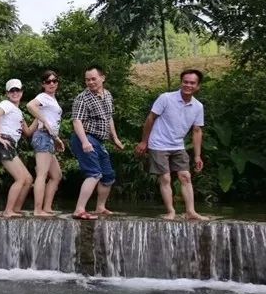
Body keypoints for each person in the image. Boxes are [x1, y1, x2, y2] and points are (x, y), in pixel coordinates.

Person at [135, 69, 207, 220]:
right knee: (166, 178)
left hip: (178, 145)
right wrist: (144, 141)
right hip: (159, 143)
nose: (188, 85)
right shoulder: (166, 98)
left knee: (185, 176)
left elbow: (197, 130)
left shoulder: (198, 106)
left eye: (192, 83)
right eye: (185, 82)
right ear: (181, 82)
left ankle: (190, 211)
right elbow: (150, 119)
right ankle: (171, 211)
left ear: (198, 86)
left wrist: (198, 156)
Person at [69, 66, 125, 220]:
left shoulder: (107, 95)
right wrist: (85, 142)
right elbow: (77, 121)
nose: (90, 82)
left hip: (99, 140)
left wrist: (115, 138)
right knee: (94, 173)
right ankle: (79, 210)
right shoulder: (83, 98)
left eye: (93, 79)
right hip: (84, 138)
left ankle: (100, 207)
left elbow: (109, 118)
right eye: (87, 79)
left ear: (102, 78)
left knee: (108, 176)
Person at [0, 79, 36, 217]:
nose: (15, 93)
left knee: (28, 179)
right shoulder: (6, 104)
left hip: (10, 146)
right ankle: (8, 211)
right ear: (7, 93)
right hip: (3, 143)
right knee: (20, 179)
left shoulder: (19, 112)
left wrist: (39, 117)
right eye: (12, 91)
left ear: (22, 92)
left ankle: (15, 209)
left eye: (17, 90)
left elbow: (27, 132)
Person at [27, 71, 65, 217]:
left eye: (54, 81)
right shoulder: (43, 96)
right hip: (43, 137)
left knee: (56, 175)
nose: (52, 84)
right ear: (43, 84)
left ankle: (47, 207)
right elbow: (30, 106)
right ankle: (38, 210)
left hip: (49, 138)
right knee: (42, 174)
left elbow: (52, 123)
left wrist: (57, 139)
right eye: (48, 81)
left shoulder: (52, 100)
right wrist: (46, 123)